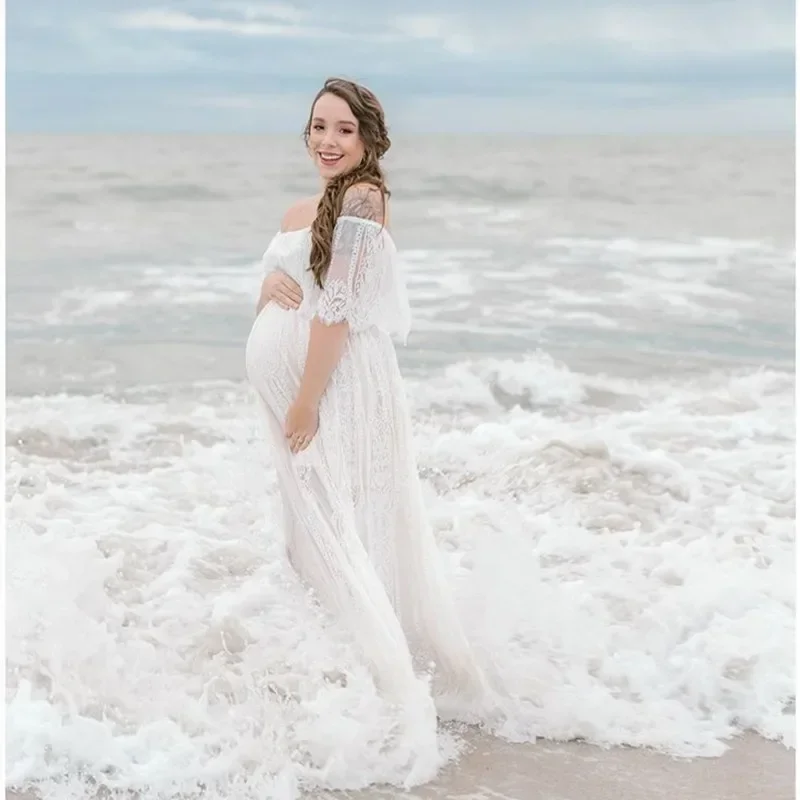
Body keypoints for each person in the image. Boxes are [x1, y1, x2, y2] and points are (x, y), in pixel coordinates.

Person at [245, 78, 495, 720]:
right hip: (298, 393)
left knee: (352, 520)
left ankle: (391, 689)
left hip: (340, 388)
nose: (328, 140)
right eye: (319, 126)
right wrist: (269, 281)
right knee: (309, 533)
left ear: (368, 140)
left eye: (344, 129)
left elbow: (338, 313)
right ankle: (341, 669)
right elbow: (287, 293)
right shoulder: (298, 211)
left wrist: (306, 400)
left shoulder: (363, 199)